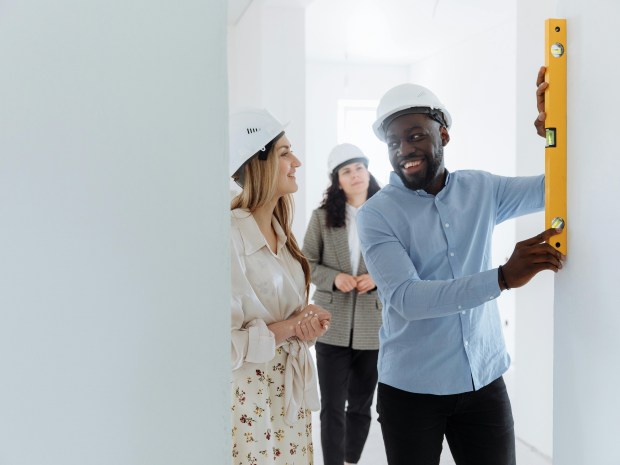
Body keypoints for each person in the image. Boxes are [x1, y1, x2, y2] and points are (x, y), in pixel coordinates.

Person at [355, 67, 565, 465]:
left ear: (443, 135)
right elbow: (407, 299)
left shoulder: (481, 188)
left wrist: (553, 134)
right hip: (411, 392)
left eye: (415, 135)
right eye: (393, 142)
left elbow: (553, 189)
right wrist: (502, 277)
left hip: (483, 381)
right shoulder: (375, 215)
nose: (404, 150)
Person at [229, 108, 331, 464]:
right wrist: (289, 327)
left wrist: (304, 323)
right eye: (285, 153)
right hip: (249, 401)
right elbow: (220, 345)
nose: (297, 161)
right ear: (257, 162)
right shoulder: (229, 234)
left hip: (289, 397)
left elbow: (284, 322)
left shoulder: (283, 235)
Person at [302, 143, 382, 465]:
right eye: (346, 171)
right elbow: (305, 264)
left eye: (359, 168)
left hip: (372, 328)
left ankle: (351, 460)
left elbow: (406, 262)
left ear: (368, 171)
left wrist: (376, 277)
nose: (355, 175)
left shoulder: (388, 214)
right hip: (330, 326)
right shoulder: (321, 218)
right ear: (337, 180)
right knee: (332, 406)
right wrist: (334, 278)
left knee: (361, 405)